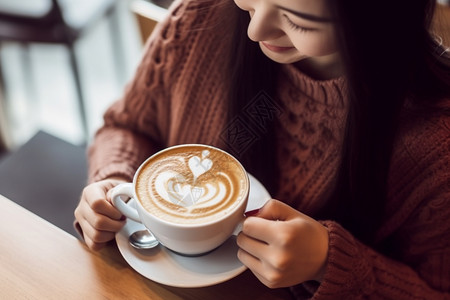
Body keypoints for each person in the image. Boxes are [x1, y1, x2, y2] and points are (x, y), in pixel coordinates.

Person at [74, 0, 450, 298]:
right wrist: (111, 184)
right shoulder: (200, 15)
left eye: (299, 20)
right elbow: (125, 127)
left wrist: (331, 264)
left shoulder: (435, 144)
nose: (255, 29)